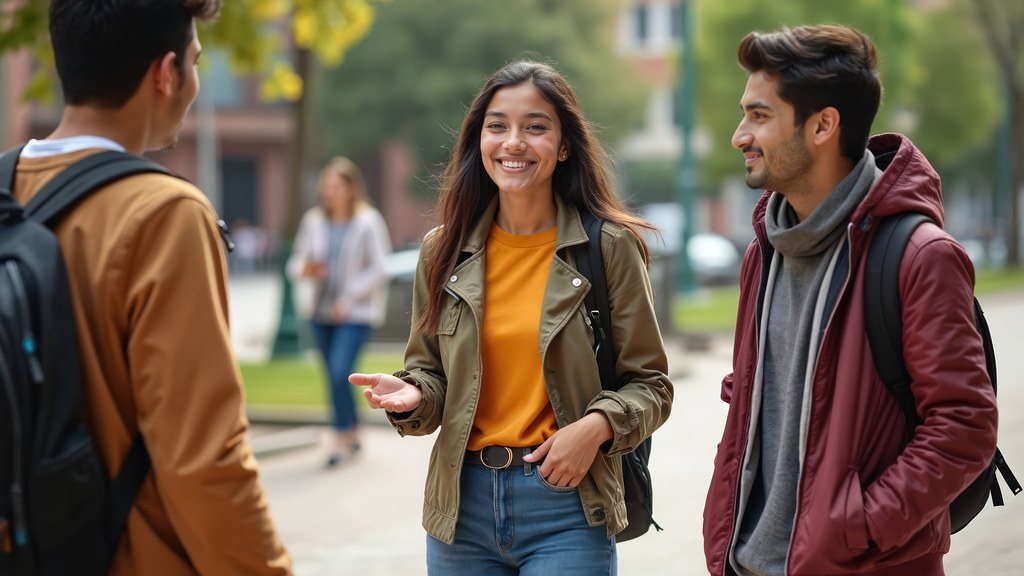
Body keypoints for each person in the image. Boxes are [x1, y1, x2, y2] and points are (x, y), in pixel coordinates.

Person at [350, 60, 673, 575]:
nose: (513, 142)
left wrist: (593, 428)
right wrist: (414, 394)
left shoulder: (608, 248)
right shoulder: (443, 252)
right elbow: (430, 375)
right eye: (497, 126)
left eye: (535, 127)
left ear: (564, 146)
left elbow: (652, 386)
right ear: (480, 139)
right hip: (462, 508)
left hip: (567, 502)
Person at [702, 24, 998, 575]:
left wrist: (856, 528)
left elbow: (963, 426)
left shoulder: (918, 256)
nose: (739, 135)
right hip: (751, 563)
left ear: (822, 125)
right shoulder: (763, 253)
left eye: (759, 116)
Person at [8, 1, 292, 574]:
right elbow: (203, 460)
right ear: (166, 74)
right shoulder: (165, 214)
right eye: (194, 62)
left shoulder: (6, 186)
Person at [287, 156, 391, 467]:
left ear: (350, 188)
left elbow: (379, 268)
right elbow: (295, 263)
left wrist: (348, 299)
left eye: (336, 186)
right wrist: (306, 269)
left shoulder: (368, 221)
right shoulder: (313, 221)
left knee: (339, 370)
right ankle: (353, 430)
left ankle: (340, 435)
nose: (329, 192)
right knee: (333, 376)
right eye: (326, 186)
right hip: (319, 313)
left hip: (354, 314)